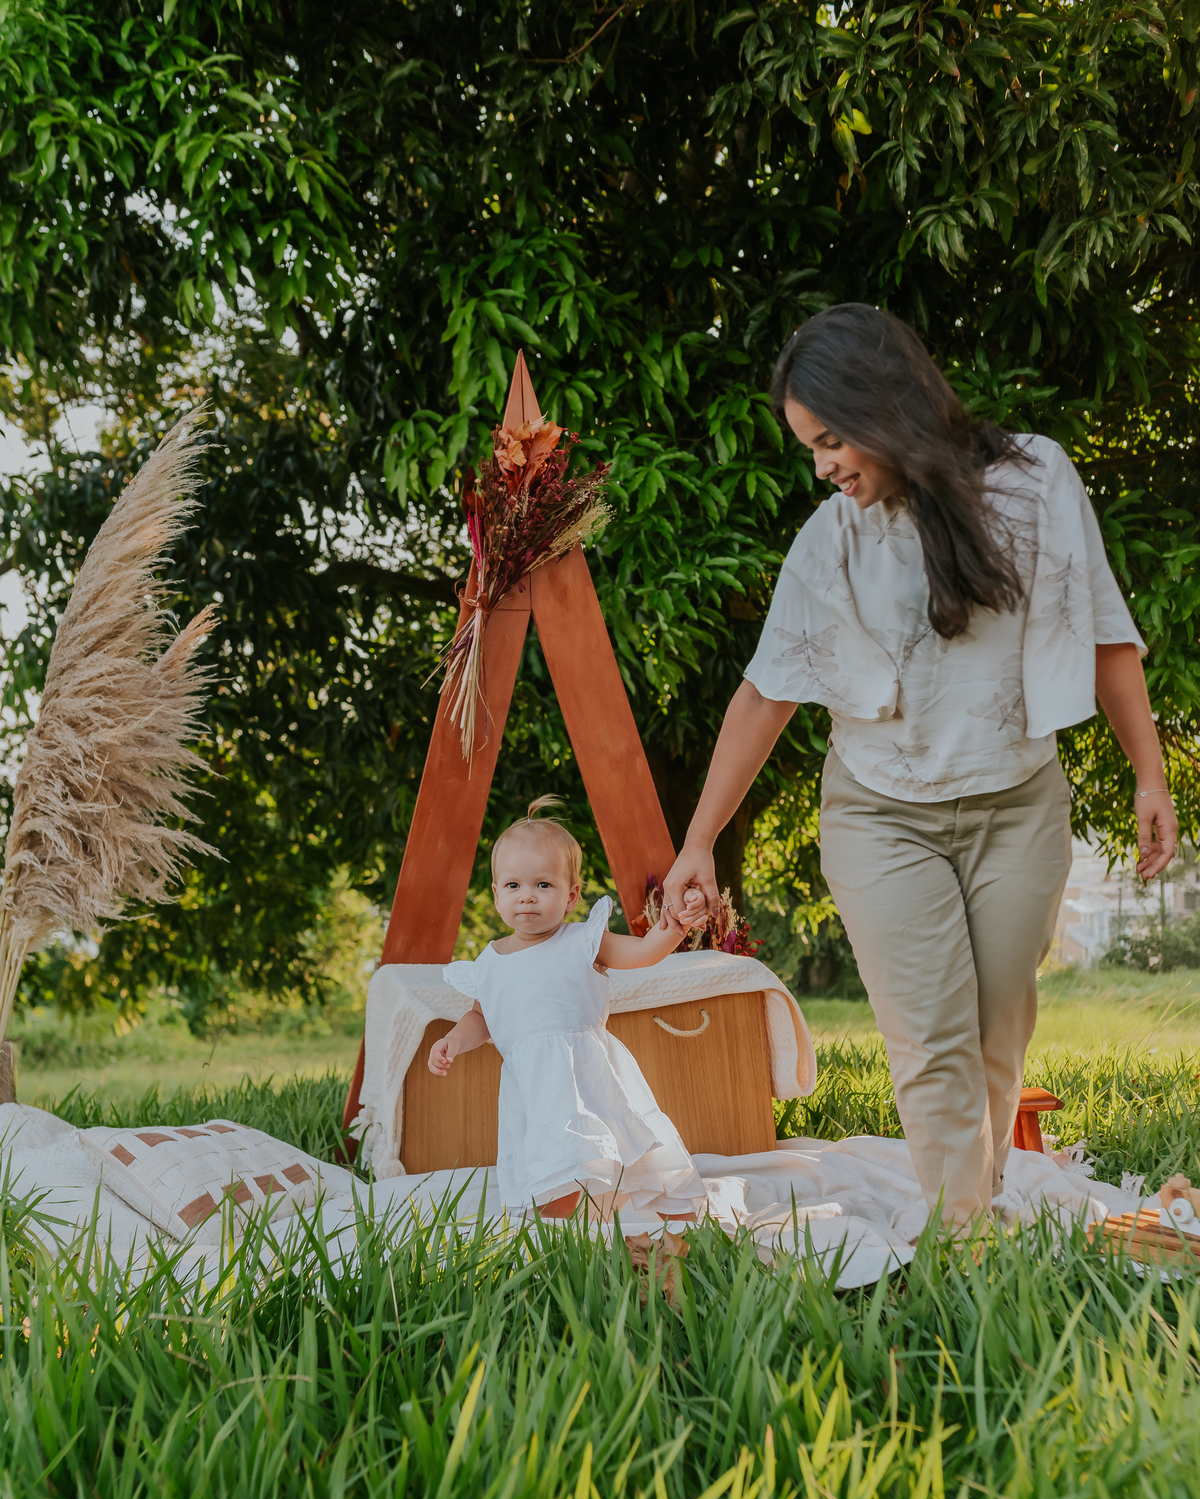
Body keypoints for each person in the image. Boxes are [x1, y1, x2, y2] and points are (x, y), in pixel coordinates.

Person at [663, 303, 1177, 1232]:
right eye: (809, 448)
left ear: (883, 404)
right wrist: (699, 841)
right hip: (882, 814)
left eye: (829, 440)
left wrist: (1150, 774)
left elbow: (1105, 628)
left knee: (995, 1033)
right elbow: (765, 694)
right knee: (932, 1039)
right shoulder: (834, 539)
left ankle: (971, 1212)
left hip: (1018, 806)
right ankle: (962, 1249)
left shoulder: (1034, 482)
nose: (821, 466)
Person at [430, 799, 710, 1221]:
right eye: (513, 886)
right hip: (535, 1088)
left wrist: (675, 927)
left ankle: (680, 1229)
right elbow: (482, 1018)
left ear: (571, 895)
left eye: (544, 885)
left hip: (589, 1073)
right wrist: (453, 1040)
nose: (527, 897)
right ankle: (559, 1242)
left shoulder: (581, 940)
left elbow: (645, 952)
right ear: (495, 894)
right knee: (552, 1166)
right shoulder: (488, 963)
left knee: (636, 1154)